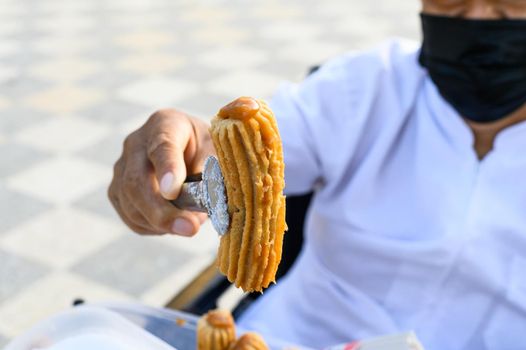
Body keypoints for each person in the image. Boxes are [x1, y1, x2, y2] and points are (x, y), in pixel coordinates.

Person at [108, 1, 526, 349]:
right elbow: (251, 161)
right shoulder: (363, 86)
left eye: (508, 7)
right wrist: (187, 152)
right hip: (299, 337)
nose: (478, 18)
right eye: (454, 1)